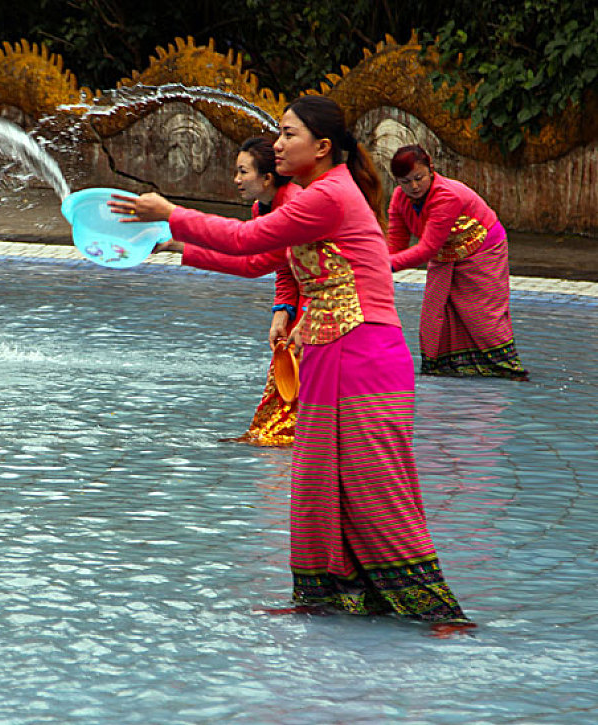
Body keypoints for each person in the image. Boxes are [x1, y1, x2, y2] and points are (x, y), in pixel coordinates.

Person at [111, 96, 471, 625]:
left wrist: (172, 213)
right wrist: (172, 245)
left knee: (376, 485)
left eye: (288, 135)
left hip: (365, 352)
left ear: (322, 147)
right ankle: (330, 598)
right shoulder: (314, 195)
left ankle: (439, 613)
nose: (277, 145)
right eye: (277, 135)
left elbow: (245, 236)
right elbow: (259, 261)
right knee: (318, 482)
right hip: (330, 350)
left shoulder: (329, 195)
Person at [156, 137, 303, 446]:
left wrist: (181, 239)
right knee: (277, 411)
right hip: (300, 311)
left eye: (243, 172)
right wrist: (281, 312)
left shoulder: (295, 205)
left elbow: (253, 262)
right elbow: (284, 268)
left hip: (324, 309)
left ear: (267, 177)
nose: (236, 180)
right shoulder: (261, 207)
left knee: (303, 407)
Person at [387, 145, 528, 380]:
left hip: (482, 249)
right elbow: (395, 245)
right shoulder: (399, 199)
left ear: (430, 169)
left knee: (482, 315)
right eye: (405, 181)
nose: (413, 187)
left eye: (418, 178)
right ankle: (440, 369)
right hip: (445, 252)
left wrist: (385, 265)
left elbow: (426, 249)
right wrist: (375, 266)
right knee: (433, 313)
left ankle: (509, 371)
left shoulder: (446, 196)